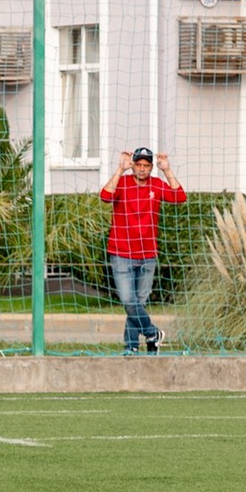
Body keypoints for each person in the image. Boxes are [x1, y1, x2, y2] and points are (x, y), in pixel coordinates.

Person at [99, 147, 187, 353]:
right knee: (128, 301)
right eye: (138, 164)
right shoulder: (122, 183)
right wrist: (120, 169)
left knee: (139, 303)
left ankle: (132, 346)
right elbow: (105, 195)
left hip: (147, 256)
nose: (142, 169)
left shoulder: (156, 185)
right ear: (133, 166)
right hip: (121, 253)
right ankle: (152, 333)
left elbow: (180, 197)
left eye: (146, 165)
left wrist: (167, 170)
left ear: (151, 167)